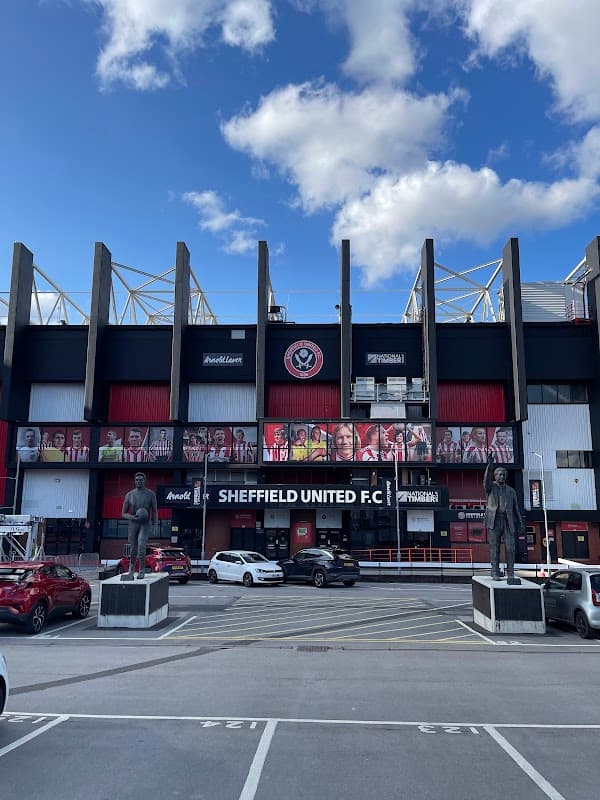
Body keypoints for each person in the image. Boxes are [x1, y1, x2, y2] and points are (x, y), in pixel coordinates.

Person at [484, 453, 525, 582]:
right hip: (494, 520)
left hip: (508, 521)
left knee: (510, 548)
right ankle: (495, 571)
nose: (501, 476)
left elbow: (516, 508)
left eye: (503, 475)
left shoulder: (511, 491)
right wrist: (490, 465)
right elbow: (486, 480)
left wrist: (520, 523)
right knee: (494, 548)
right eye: (499, 474)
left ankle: (510, 572)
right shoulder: (490, 487)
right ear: (495, 476)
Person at [121, 472, 158, 581]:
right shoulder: (129, 495)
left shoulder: (150, 494)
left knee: (141, 545)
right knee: (133, 548)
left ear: (144, 481)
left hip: (145, 523)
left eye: (141, 480)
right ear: (134, 481)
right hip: (134, 523)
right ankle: (131, 570)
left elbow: (154, 511)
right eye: (137, 480)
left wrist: (155, 524)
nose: (138, 481)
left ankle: (142, 570)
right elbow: (123, 513)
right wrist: (132, 517)